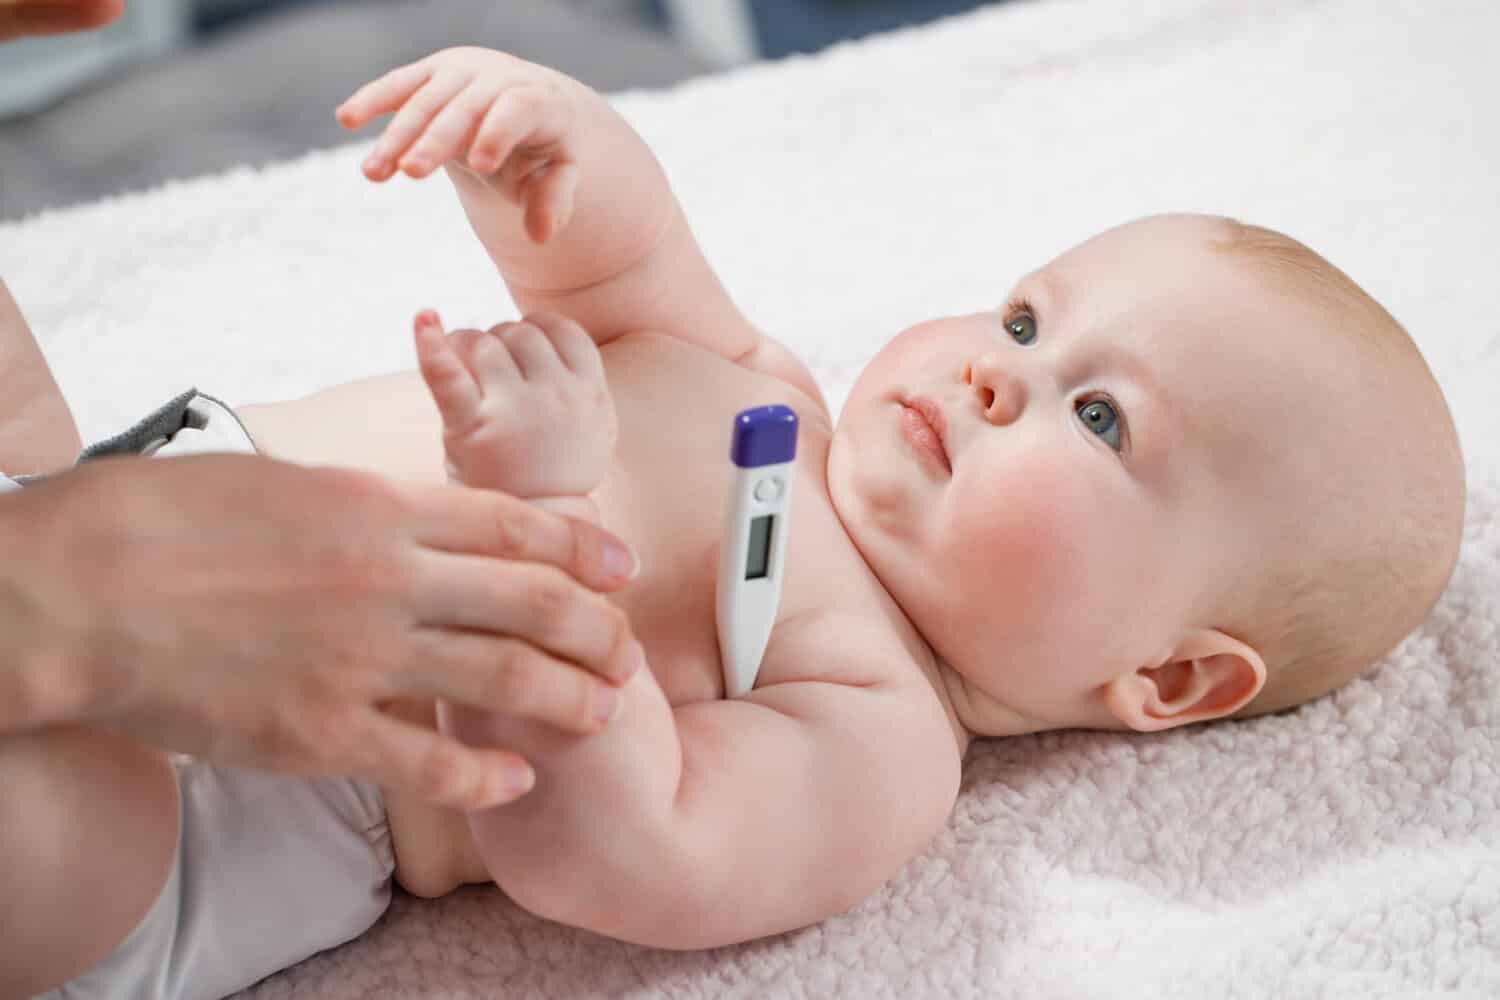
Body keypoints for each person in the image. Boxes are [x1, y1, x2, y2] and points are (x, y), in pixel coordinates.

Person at [11, 43, 1467, 1000]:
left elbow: (613, 852)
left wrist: (548, 508)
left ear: (1166, 677)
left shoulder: (881, 735)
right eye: (1026, 316)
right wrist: (562, 155)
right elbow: (617, 277)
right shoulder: (777, 398)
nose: (991, 366)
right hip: (94, 511)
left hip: (223, 803)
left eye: (1099, 416)